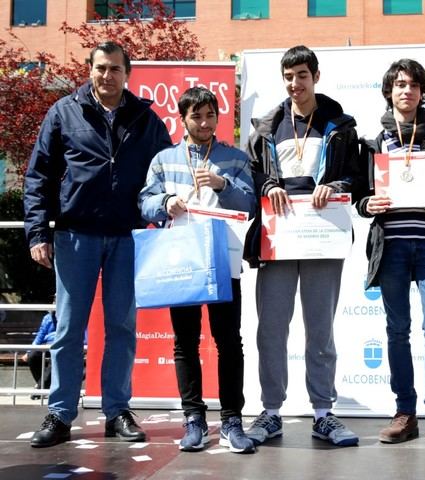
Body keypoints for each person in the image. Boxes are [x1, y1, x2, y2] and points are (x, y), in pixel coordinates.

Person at [23, 41, 172, 448]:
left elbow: (169, 170)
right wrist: (37, 232)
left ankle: (117, 411)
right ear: (89, 70)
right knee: (69, 329)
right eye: (100, 68)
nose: (107, 76)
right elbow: (38, 177)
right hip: (74, 235)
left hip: (128, 236)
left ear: (128, 73)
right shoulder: (63, 112)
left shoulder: (145, 118)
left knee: (122, 327)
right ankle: (60, 413)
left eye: (115, 70)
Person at [243, 45, 361, 446]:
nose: (296, 84)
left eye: (302, 76)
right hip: (277, 237)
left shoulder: (340, 125)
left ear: (316, 76)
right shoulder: (266, 128)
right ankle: (271, 411)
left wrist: (337, 186)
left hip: (322, 236)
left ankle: (323, 414)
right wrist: (269, 184)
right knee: (271, 329)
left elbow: (355, 178)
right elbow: (251, 175)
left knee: (320, 329)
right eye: (289, 77)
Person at [356, 59, 425, 451]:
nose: (406, 90)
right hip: (390, 246)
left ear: (423, 91)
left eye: (413, 85)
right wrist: (366, 204)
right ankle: (404, 412)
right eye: (399, 84)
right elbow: (359, 194)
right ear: (389, 91)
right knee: (397, 330)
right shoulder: (372, 140)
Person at [138, 87, 257, 453]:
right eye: (196, 117)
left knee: (228, 341)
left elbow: (250, 203)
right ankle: (194, 420)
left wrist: (222, 185)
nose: (204, 123)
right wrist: (166, 202)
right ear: (182, 119)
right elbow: (144, 203)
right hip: (181, 262)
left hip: (222, 259)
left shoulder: (234, 158)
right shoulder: (163, 159)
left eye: (210, 116)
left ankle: (233, 420)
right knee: (185, 342)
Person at [22, 311, 57, 398]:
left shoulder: (68, 316)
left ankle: (40, 388)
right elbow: (40, 335)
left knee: (55, 358)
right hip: (47, 344)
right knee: (32, 357)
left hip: (61, 344)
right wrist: (29, 351)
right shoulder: (48, 317)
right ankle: (43, 385)